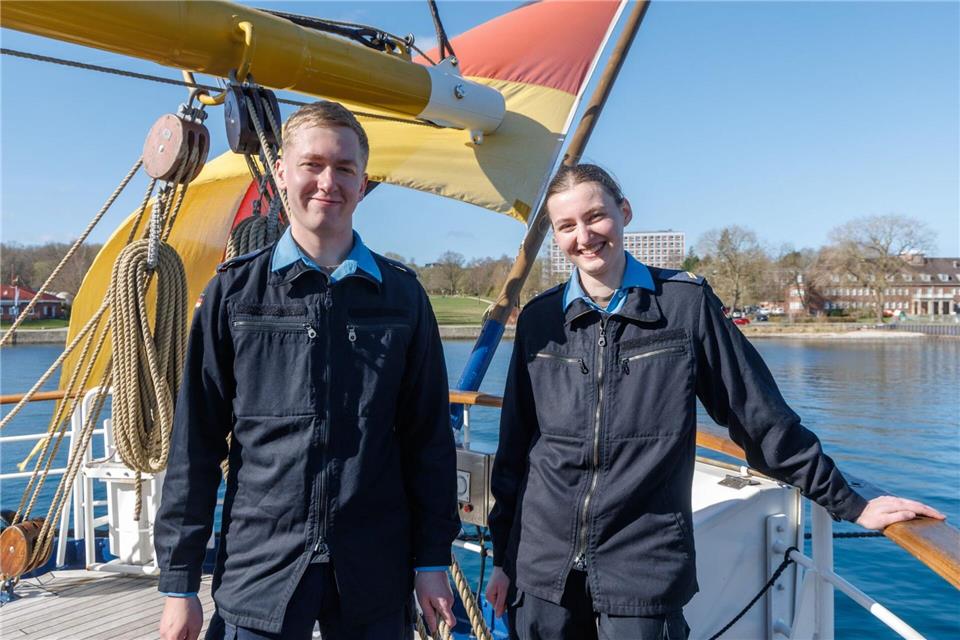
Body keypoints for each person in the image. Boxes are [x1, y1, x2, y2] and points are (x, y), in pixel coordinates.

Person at [484, 164, 945, 640]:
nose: (584, 236)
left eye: (595, 216)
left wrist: (850, 502)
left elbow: (759, 416)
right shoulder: (541, 320)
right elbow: (517, 449)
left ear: (624, 212)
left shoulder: (685, 304)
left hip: (642, 568)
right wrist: (503, 558)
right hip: (541, 571)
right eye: (567, 226)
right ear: (555, 234)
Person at [156, 101, 460, 640]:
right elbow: (196, 444)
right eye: (312, 165)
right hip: (262, 567)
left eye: (344, 168)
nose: (328, 182)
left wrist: (431, 558)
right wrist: (180, 584)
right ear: (281, 174)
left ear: (363, 182)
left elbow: (427, 440)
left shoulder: (402, 296)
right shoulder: (233, 293)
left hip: (372, 567)